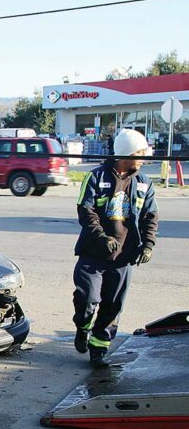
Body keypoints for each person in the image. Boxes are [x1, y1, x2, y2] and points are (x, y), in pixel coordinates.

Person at [72, 129, 158, 368]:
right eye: (140, 153)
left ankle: (98, 349)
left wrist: (148, 246)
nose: (143, 159)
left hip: (123, 258)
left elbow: (151, 217)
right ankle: (83, 327)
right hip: (93, 254)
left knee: (113, 306)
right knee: (87, 298)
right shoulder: (96, 177)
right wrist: (102, 237)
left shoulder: (144, 183)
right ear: (127, 153)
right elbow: (85, 211)